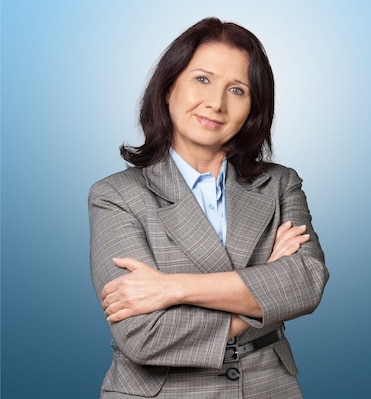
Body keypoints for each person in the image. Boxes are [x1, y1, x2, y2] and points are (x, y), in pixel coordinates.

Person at [88, 17, 329, 399]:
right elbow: (143, 335)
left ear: (253, 107)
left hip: (269, 385)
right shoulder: (115, 195)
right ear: (168, 88)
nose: (216, 103)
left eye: (237, 89)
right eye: (202, 79)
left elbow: (306, 283)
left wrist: (170, 288)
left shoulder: (281, 183)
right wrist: (265, 284)